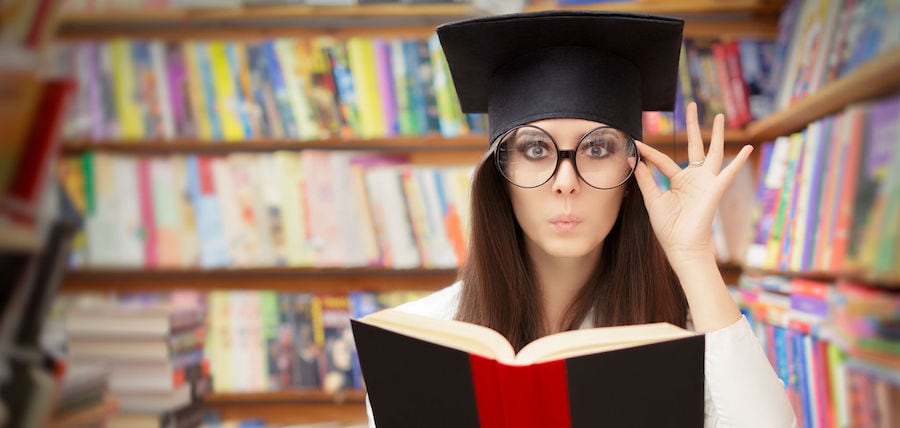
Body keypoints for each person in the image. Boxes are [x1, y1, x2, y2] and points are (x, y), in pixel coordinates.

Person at [365, 10, 796, 427]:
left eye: (596, 149)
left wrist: (693, 255)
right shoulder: (423, 339)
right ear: (501, 176)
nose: (566, 182)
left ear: (631, 173)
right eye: (536, 150)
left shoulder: (688, 335)